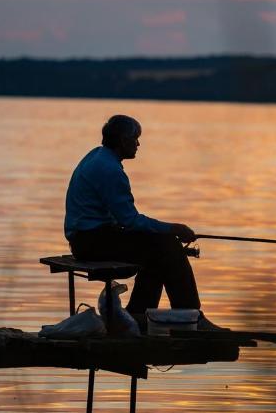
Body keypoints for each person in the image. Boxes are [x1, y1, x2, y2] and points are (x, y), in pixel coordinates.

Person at [64, 114, 225, 331]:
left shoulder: (97, 156)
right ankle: (192, 317)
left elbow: (123, 220)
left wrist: (161, 232)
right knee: (166, 244)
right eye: (135, 139)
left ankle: (139, 315)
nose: (138, 144)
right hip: (92, 242)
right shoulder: (109, 170)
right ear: (123, 141)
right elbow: (130, 220)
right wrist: (173, 229)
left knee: (157, 248)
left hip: (87, 239)